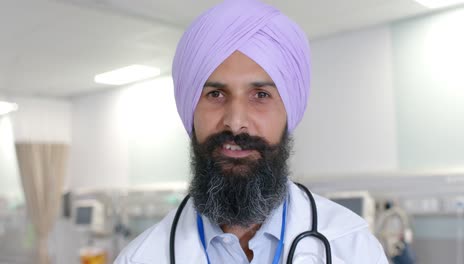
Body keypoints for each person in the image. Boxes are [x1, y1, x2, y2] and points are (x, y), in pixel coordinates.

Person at [114, 0, 388, 263]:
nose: (235, 122)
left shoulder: (353, 249)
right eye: (216, 94)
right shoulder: (138, 259)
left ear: (289, 111)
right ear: (191, 110)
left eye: (260, 95)